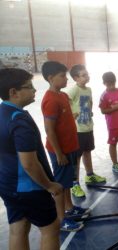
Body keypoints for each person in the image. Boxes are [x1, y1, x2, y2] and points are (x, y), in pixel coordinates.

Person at [0, 68, 62, 249]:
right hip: (30, 188)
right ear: (13, 92)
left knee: (18, 227)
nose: (35, 90)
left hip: (7, 184)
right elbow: (29, 163)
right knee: (50, 228)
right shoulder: (18, 120)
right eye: (29, 86)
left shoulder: (2, 113)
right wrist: (50, 186)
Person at [41, 61, 89, 231]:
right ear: (50, 78)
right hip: (60, 151)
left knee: (67, 182)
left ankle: (70, 208)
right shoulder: (50, 100)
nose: (66, 79)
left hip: (70, 148)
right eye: (62, 76)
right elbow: (49, 130)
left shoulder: (62, 96)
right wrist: (59, 154)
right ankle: (62, 219)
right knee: (60, 185)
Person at [67, 64, 106, 198]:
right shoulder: (73, 90)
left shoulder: (88, 89)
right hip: (78, 129)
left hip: (88, 126)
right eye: (84, 75)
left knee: (87, 152)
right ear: (76, 78)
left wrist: (90, 111)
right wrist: (71, 114)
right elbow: (65, 100)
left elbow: (90, 103)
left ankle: (89, 175)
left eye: (87, 74)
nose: (87, 77)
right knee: (76, 158)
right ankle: (75, 183)